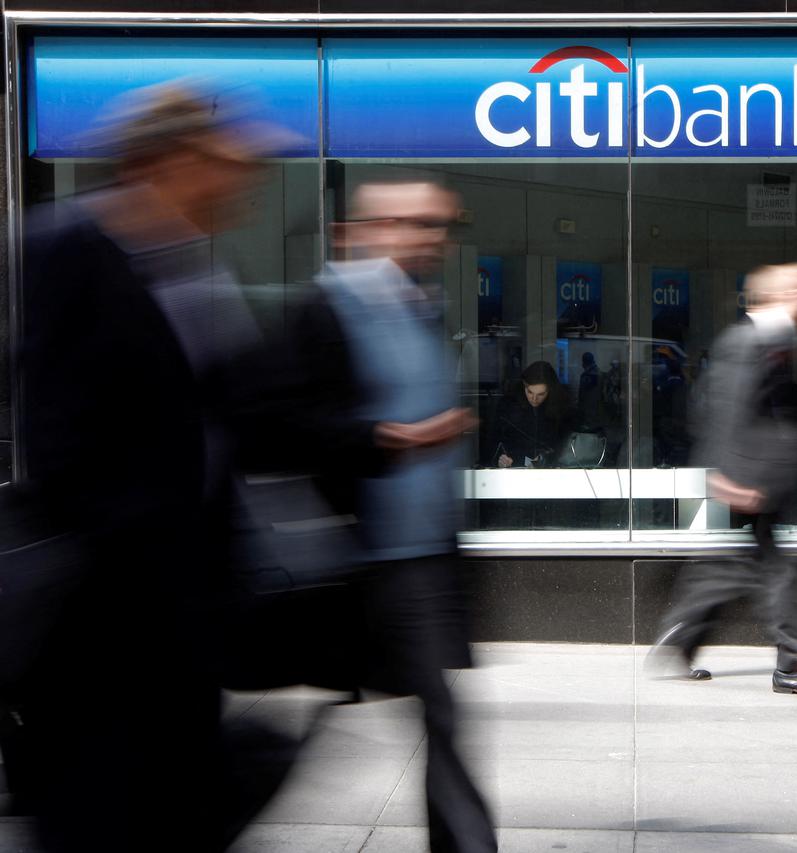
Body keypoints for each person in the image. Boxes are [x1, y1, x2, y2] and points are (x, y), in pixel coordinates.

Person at [12, 82, 295, 851]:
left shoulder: (198, 265)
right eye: (226, 166)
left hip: (185, 617)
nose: (241, 188)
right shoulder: (66, 246)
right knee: (101, 815)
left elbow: (238, 421)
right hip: (100, 618)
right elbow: (59, 436)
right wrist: (144, 553)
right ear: (170, 160)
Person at [290, 180, 498, 853]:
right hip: (364, 556)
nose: (429, 238)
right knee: (424, 709)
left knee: (438, 711)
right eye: (410, 223)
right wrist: (403, 438)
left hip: (424, 552)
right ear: (362, 230)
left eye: (439, 225)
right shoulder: (327, 310)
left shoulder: (419, 308)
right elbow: (298, 428)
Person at [649, 263, 797, 697]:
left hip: (763, 477)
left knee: (745, 567)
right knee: (783, 571)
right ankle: (792, 666)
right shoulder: (750, 341)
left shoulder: (774, 338)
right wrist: (725, 474)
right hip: (752, 478)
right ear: (787, 293)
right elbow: (724, 409)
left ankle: (683, 638)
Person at [493, 360, 572, 468]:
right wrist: (500, 458)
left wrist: (547, 458)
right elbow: (494, 442)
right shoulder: (509, 406)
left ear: (550, 391)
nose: (534, 399)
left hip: (551, 471)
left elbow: (566, 444)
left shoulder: (561, 409)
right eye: (529, 392)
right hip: (514, 469)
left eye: (541, 394)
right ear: (524, 386)